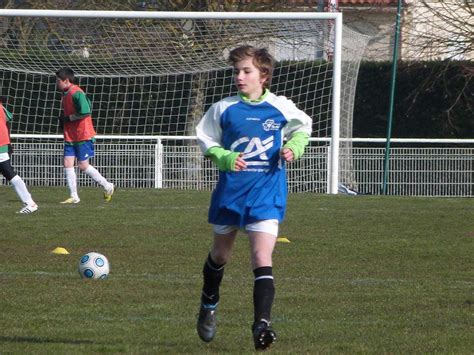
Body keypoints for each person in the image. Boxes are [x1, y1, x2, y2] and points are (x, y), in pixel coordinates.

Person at [195, 45, 312, 351]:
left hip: (266, 193)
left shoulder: (281, 107)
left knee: (262, 258)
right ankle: (209, 303)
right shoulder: (223, 109)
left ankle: (262, 324)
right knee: (220, 255)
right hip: (231, 194)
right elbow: (205, 138)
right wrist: (223, 156)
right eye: (236, 71)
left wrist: (294, 148)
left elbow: (304, 128)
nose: (239, 76)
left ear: (264, 75)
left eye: (246, 71)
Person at [56, 67, 114, 204]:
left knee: (83, 165)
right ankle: (74, 196)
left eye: (58, 80)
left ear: (66, 80)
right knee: (67, 163)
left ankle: (108, 186)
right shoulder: (66, 93)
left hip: (83, 134)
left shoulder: (77, 93)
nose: (56, 83)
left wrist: (68, 119)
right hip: (71, 135)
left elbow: (86, 111)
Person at [0, 100, 38, 214]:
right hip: (3, 143)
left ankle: (30, 203)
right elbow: (8, 119)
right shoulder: (1, 107)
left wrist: (8, 142)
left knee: (9, 172)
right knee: (8, 172)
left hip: (1, 144)